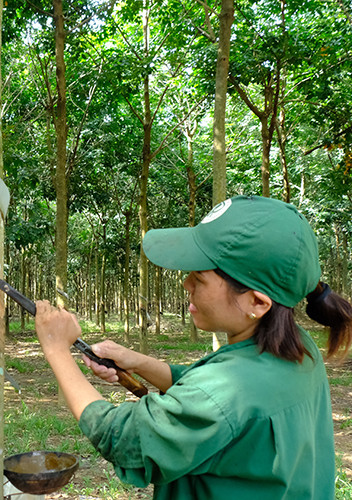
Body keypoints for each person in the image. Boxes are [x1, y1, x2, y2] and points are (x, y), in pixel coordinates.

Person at [35, 195, 352, 499]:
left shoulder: (225, 393)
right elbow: (211, 394)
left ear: (256, 302)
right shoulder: (299, 348)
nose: (185, 284)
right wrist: (139, 362)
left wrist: (56, 349)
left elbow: (122, 437)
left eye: (199, 278)